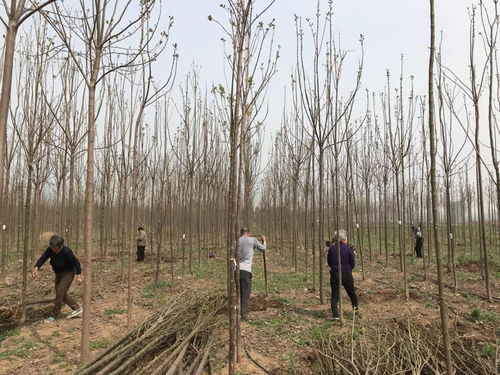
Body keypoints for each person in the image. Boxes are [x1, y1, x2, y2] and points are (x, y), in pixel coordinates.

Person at [33, 235, 83, 322]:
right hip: (58, 273)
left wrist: (78, 275)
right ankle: (76, 308)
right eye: (52, 247)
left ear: (60, 246)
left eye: (55, 248)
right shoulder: (50, 250)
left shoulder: (67, 252)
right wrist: (37, 266)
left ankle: (54, 315)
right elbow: (44, 257)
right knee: (61, 294)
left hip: (68, 273)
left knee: (60, 292)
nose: (54, 249)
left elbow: (76, 263)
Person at [327, 229, 358, 320]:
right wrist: (348, 268)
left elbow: (329, 262)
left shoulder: (331, 249)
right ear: (343, 239)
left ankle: (335, 315)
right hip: (346, 274)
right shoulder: (348, 249)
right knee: (351, 292)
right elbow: (352, 262)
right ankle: (355, 310)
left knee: (335, 295)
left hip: (335, 274)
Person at [238, 228, 266, 321]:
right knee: (245, 293)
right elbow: (263, 248)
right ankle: (244, 315)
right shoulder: (252, 240)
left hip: (235, 270)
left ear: (241, 233)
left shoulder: (236, 241)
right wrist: (264, 240)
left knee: (237, 292)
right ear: (248, 233)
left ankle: (235, 311)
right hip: (246, 270)